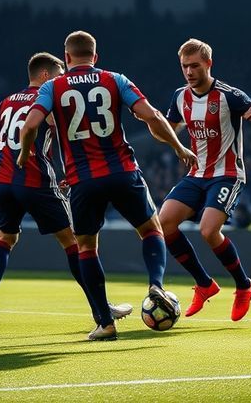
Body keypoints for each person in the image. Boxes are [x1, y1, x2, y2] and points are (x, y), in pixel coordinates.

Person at [18, 31, 197, 341]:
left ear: (68, 57)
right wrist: (179, 147)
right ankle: (156, 283)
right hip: (122, 171)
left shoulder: (52, 87)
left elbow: (31, 125)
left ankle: (105, 323)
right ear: (95, 57)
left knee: (86, 246)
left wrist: (24, 153)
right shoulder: (115, 79)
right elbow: (151, 116)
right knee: (152, 230)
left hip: (82, 180)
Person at [0, 52, 133, 334]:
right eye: (58, 74)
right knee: (75, 243)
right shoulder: (51, 99)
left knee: (4, 238)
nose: (62, 80)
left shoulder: (6, 102)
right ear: (45, 75)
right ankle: (102, 309)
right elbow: (69, 135)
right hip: (35, 181)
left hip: (3, 183)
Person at [159, 38, 251, 321]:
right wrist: (160, 130)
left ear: (208, 64)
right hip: (196, 174)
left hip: (227, 174)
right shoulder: (179, 97)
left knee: (208, 230)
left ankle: (243, 285)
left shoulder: (229, 96)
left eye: (194, 66)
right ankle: (204, 284)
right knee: (164, 223)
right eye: (184, 66)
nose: (189, 72)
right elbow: (169, 130)